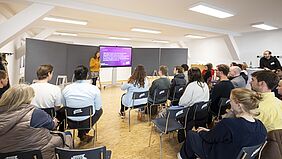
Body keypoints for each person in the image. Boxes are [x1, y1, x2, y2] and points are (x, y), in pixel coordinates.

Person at [178, 88, 267, 159]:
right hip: (232, 153)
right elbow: (227, 136)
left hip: (218, 154)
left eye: (231, 100)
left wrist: (201, 131)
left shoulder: (229, 124)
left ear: (239, 105)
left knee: (191, 134)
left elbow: (209, 138)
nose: (229, 102)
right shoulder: (261, 126)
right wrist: (209, 131)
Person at [0, 84, 71, 159]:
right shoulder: (35, 113)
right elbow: (52, 126)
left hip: (6, 155)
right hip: (37, 154)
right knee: (67, 135)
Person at [62, 65, 103, 142]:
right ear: (87, 76)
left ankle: (81, 134)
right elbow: (98, 107)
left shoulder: (66, 89)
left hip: (71, 122)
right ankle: (83, 133)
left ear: (74, 76)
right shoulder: (94, 89)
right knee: (100, 111)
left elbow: (64, 105)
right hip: (87, 122)